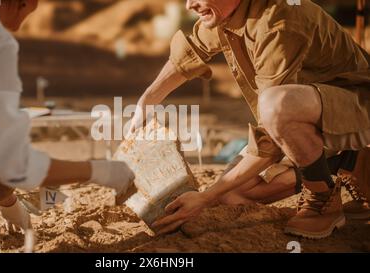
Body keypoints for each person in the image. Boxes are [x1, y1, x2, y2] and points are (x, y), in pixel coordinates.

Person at [128, 0, 370, 238]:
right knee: (233, 195)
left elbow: (272, 132)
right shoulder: (228, 13)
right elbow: (190, 51)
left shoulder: (277, 21)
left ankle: (322, 195)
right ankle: (349, 161)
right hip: (308, 122)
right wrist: (146, 102)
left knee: (275, 105)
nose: (190, 5)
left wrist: (205, 196)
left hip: (356, 109)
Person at [0, 0, 134, 250]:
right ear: (17, 3)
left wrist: (8, 202)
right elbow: (12, 165)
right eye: (27, 12)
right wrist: (103, 171)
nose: (19, 28)